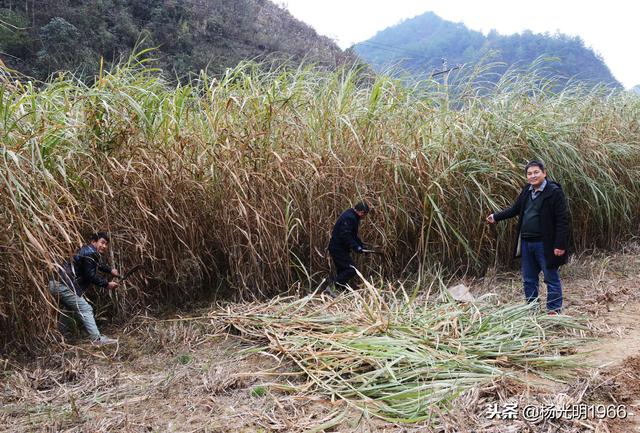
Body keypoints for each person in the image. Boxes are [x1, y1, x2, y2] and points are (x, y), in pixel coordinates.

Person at [486, 160, 569, 314]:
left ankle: (553, 310)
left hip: (546, 243)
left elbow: (562, 220)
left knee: (551, 277)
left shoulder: (554, 192)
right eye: (529, 174)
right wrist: (496, 217)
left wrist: (560, 245)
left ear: (544, 173)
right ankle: (532, 309)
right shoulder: (527, 190)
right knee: (529, 279)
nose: (533, 176)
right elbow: (515, 210)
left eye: (536, 172)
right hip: (526, 243)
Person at [49, 232, 120, 344]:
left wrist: (110, 270)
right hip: (63, 285)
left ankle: (62, 338)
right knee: (85, 308)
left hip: (56, 283)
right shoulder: (91, 253)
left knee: (68, 308)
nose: (104, 246)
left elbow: (97, 265)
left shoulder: (87, 251)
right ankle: (97, 339)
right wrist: (107, 284)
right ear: (93, 242)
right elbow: (90, 275)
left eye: (106, 244)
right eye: (102, 242)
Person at [324, 201, 370, 297]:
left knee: (343, 270)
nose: (364, 217)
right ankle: (331, 288)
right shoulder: (349, 217)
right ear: (361, 212)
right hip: (337, 248)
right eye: (364, 214)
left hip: (340, 248)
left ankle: (341, 290)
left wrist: (361, 246)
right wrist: (356, 247)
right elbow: (345, 235)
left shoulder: (352, 216)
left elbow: (353, 235)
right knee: (351, 269)